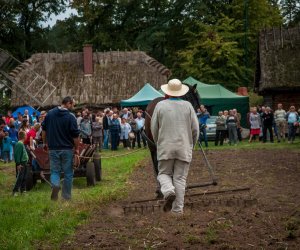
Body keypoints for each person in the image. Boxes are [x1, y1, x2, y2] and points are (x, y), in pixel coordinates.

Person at [151, 79, 199, 214]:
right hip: (184, 148)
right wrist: (191, 146)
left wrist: (158, 143)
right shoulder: (188, 106)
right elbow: (196, 130)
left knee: (163, 174)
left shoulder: (160, 106)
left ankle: (168, 191)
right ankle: (177, 211)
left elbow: (154, 128)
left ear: (167, 91)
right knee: (180, 179)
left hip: (165, 147)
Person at [42, 96, 80, 201]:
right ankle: (66, 197)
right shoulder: (71, 117)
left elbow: (44, 130)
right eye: (72, 104)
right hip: (67, 149)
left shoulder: (49, 114)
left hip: (53, 148)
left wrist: (45, 143)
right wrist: (76, 149)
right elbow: (75, 136)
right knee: (68, 173)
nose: (73, 106)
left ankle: (55, 185)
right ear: (68, 103)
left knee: (54, 171)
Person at [12, 131, 29, 196]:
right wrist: (18, 164)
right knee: (20, 177)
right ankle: (15, 191)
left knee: (24, 177)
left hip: (24, 163)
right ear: (24, 136)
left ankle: (23, 190)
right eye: (26, 135)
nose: (26, 136)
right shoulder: (19, 144)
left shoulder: (22, 144)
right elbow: (17, 154)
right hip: (21, 163)